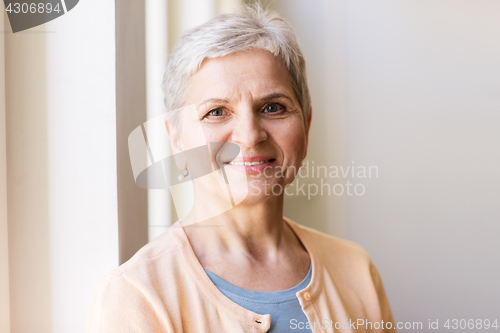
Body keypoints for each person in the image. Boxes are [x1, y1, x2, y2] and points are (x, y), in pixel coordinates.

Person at [86, 4, 395, 333]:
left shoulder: (356, 269)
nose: (250, 137)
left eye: (273, 107)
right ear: (176, 140)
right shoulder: (136, 296)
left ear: (305, 125)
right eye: (217, 112)